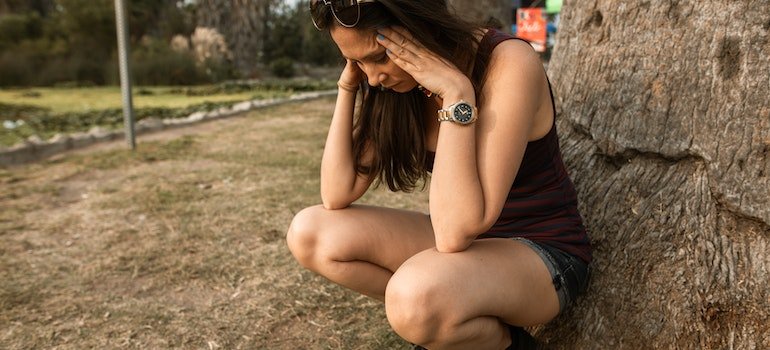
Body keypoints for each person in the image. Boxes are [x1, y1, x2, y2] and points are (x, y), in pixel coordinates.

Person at [286, 0, 592, 348]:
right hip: (461, 247)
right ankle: (455, 320)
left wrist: (456, 94)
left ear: (420, 27)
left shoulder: (507, 62)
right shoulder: (395, 85)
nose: (374, 77)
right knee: (309, 233)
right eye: (356, 61)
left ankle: (447, 318)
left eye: (379, 57)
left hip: (541, 252)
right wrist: (348, 87)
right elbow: (336, 192)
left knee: (413, 298)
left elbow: (454, 233)